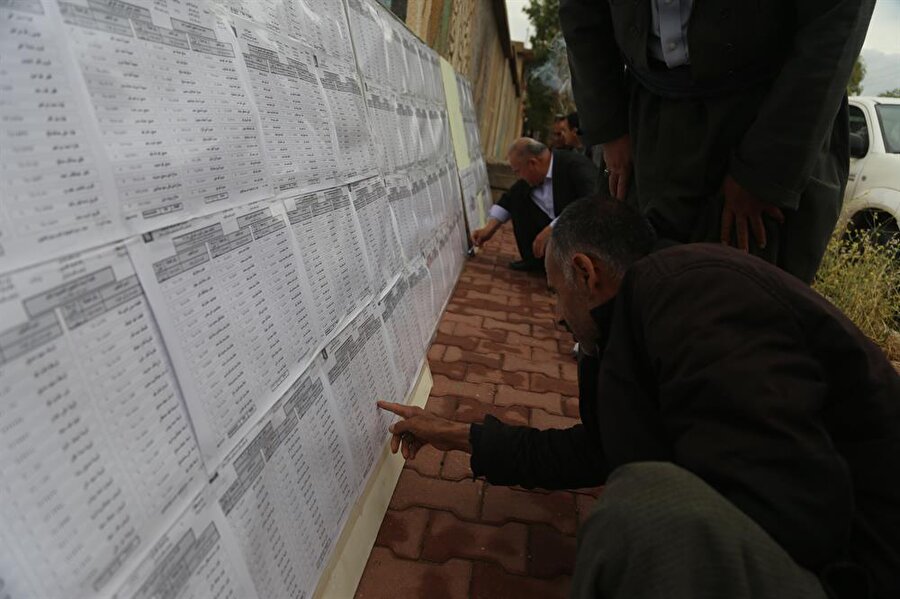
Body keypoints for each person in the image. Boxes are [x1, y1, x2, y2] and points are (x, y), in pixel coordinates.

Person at [379, 197, 900, 598]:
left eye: (556, 292)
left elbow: (796, 513)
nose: (556, 314)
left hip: (858, 571)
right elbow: (594, 450)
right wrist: (452, 434)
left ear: (586, 273)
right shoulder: (647, 311)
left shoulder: (699, 302)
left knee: (641, 510)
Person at [559, 0, 876, 283]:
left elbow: (835, 23)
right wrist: (609, 126)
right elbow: (581, 11)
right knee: (622, 292)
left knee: (736, 305)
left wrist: (765, 171)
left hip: (766, 121)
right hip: (639, 125)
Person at [471, 137, 596, 270]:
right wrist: (488, 229)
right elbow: (508, 199)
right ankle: (534, 261)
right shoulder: (533, 178)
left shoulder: (576, 166)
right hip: (554, 239)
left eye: (517, 171)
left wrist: (552, 229)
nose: (518, 177)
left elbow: (590, 204)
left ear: (532, 163)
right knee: (518, 198)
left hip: (583, 239)